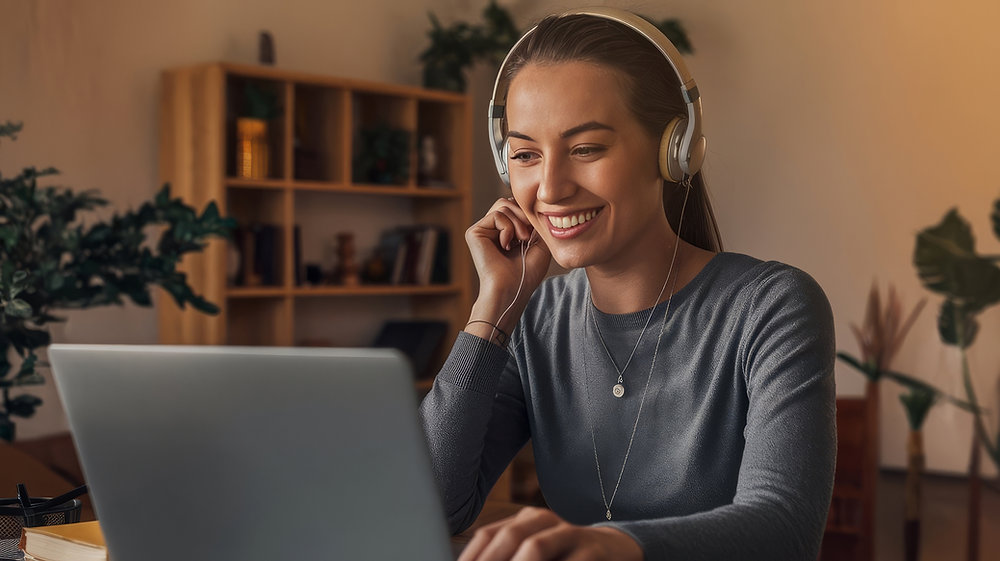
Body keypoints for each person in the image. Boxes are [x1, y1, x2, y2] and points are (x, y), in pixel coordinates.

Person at [419, 7, 836, 561]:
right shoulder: (535, 320)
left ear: (673, 151)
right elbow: (429, 505)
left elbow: (786, 530)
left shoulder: (771, 307)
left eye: (586, 149)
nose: (550, 188)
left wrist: (614, 544)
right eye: (525, 154)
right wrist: (493, 309)